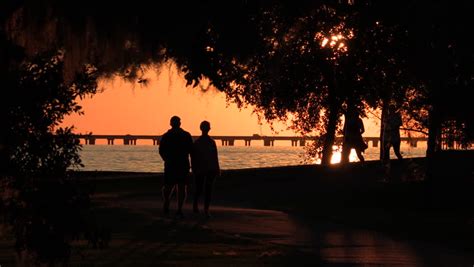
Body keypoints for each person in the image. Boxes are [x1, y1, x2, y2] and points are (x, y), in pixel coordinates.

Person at [159, 116, 193, 219]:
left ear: (171, 123)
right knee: (181, 187)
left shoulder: (166, 136)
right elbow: (191, 150)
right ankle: (179, 209)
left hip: (173, 164)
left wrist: (166, 159)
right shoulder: (186, 135)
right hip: (181, 164)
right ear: (180, 123)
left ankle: (168, 203)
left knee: (170, 186)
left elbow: (161, 150)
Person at [191, 121, 220, 218]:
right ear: (209, 129)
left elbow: (193, 157)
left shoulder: (197, 142)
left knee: (199, 189)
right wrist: (217, 168)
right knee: (208, 189)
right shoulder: (211, 142)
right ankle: (205, 209)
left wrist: (193, 168)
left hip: (201, 169)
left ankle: (196, 206)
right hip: (209, 168)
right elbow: (215, 156)